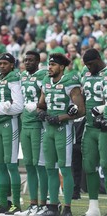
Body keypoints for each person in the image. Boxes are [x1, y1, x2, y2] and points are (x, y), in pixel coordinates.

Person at [37, 53, 85, 216]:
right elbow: (42, 104)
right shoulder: (45, 81)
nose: (49, 67)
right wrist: (40, 112)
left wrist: (61, 117)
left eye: (53, 65)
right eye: (49, 64)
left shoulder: (70, 82)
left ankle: (67, 208)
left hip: (63, 130)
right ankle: (52, 206)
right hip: (48, 129)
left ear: (62, 67)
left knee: (65, 168)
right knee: (50, 168)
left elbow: (81, 110)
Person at [0, 53, 24, 215]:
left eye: (5, 63)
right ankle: (2, 202)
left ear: (12, 65)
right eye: (0, 63)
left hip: (10, 124)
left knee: (11, 164)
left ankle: (16, 203)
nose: (2, 66)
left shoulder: (14, 78)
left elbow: (18, 107)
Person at [16, 50, 48, 215]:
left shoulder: (43, 75)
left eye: (30, 60)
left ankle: (44, 203)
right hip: (25, 124)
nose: (27, 62)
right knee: (28, 165)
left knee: (39, 165)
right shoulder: (22, 76)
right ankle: (33, 204)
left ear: (37, 61)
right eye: (25, 60)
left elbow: (49, 97)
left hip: (38, 124)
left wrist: (37, 105)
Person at [82, 48, 107, 216]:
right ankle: (93, 207)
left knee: (106, 165)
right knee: (89, 166)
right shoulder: (86, 74)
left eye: (91, 64)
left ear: (99, 59)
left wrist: (103, 109)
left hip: (104, 128)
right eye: (87, 65)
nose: (89, 68)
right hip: (89, 127)